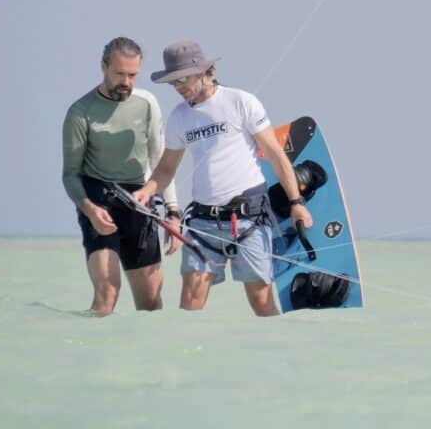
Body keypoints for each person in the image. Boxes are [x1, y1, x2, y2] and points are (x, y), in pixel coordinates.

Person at [133, 39, 312, 316]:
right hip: (202, 222)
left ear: (207, 72)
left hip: (249, 218)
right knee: (189, 304)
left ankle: (275, 354)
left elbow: (276, 155)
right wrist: (148, 190)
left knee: (261, 301)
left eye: (182, 80)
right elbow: (167, 168)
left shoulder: (241, 102)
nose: (178, 88)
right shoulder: (179, 117)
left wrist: (296, 202)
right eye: (173, 83)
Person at [62, 37, 182, 315]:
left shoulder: (147, 102)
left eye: (132, 75)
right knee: (107, 292)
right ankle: (90, 352)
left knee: (151, 302)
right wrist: (89, 210)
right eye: (119, 74)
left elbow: (161, 162)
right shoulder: (80, 113)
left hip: (139, 199)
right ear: (104, 67)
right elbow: (70, 175)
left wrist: (173, 213)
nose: (126, 82)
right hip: (97, 200)